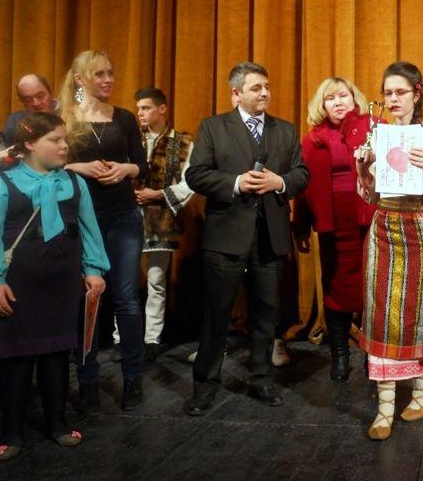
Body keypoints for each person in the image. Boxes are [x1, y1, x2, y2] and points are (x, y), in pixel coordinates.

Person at [184, 62, 309, 415]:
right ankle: (205, 385)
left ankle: (261, 379)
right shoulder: (213, 127)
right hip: (226, 237)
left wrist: (279, 182)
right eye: (257, 88)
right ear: (236, 94)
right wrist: (236, 183)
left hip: (270, 237)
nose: (265, 93)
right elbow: (196, 175)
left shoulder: (285, 130)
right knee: (217, 314)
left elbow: (301, 173)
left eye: (267, 86)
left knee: (266, 314)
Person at [0, 112, 108, 461]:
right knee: (17, 359)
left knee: (57, 355)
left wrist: (94, 269)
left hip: (62, 284)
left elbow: (89, 229)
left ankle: (57, 422)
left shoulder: (73, 182)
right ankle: (11, 430)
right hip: (19, 286)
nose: (64, 146)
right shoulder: (3, 184)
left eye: (64, 139)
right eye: (54, 140)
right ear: (29, 143)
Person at [356, 61, 423, 440]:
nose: (394, 99)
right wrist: (363, 170)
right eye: (388, 93)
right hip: (384, 226)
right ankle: (384, 408)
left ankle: (421, 394)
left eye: (401, 92)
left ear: (417, 93)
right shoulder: (377, 136)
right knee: (381, 312)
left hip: (418, 226)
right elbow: (369, 195)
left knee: (417, 311)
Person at [60, 50, 148, 413]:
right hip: (84, 218)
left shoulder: (124, 118)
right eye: (100, 74)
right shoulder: (65, 118)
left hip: (124, 216)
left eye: (111, 73)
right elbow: (49, 165)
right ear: (81, 79)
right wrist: (78, 167)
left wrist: (125, 170)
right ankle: (88, 382)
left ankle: (133, 378)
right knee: (89, 298)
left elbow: (141, 166)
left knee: (126, 298)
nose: (109, 79)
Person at [293, 77, 375, 382]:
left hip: (369, 222)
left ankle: (372, 355)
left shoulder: (374, 129)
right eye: (331, 98)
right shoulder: (312, 139)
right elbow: (303, 187)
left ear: (355, 99)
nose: (338, 102)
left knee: (371, 287)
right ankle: (340, 353)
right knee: (335, 286)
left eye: (343, 96)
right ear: (322, 105)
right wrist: (300, 227)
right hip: (332, 224)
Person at [133, 87, 194, 360]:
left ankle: (151, 339)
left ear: (162, 109)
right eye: (138, 109)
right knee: (126, 281)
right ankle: (122, 336)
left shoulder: (183, 142)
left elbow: (190, 182)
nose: (140, 113)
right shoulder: (130, 139)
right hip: (128, 217)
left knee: (156, 280)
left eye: (146, 108)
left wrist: (159, 195)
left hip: (161, 218)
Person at [4, 74, 60, 143]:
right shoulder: (15, 121)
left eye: (40, 96)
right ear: (21, 101)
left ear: (50, 92)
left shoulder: (69, 114)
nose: (36, 103)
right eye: (28, 100)